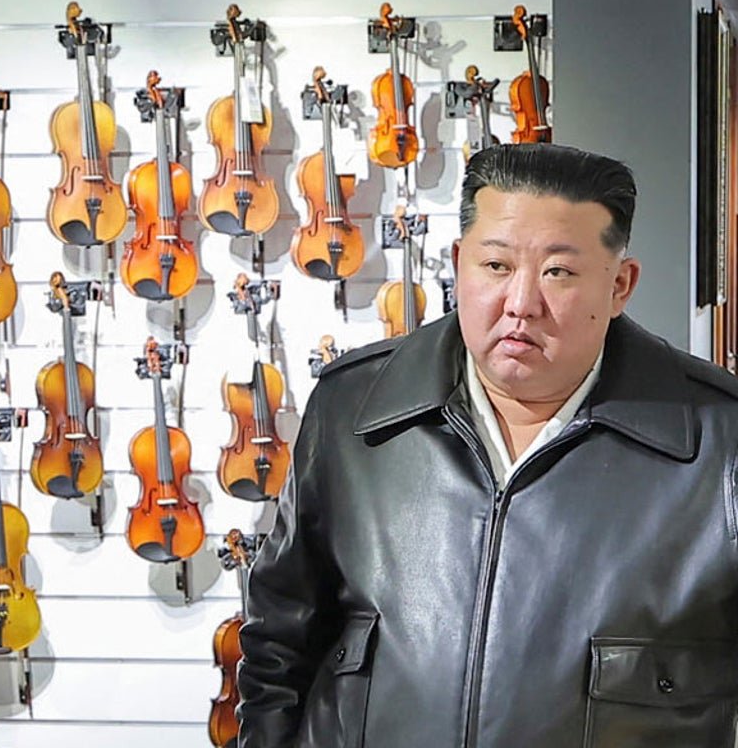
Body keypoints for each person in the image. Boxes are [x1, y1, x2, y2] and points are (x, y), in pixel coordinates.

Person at [238, 143, 738, 747]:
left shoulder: (718, 442)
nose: (521, 304)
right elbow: (277, 646)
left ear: (619, 285)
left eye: (559, 272)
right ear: (458, 263)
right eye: (496, 266)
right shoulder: (355, 411)